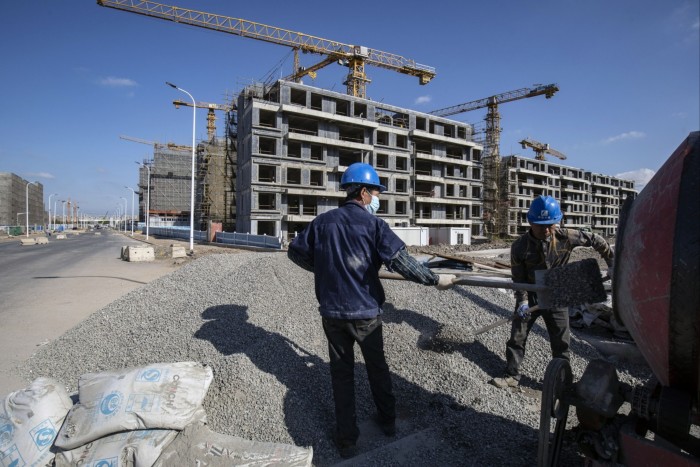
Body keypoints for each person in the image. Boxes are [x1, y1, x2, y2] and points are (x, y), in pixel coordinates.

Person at [287, 162, 456, 458]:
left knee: (342, 376)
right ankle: (388, 423)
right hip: (365, 313)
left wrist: (324, 269)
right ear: (364, 192)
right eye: (376, 192)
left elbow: (295, 251)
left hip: (332, 314)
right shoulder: (374, 225)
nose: (377, 198)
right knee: (377, 369)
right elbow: (402, 263)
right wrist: (434, 279)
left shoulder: (322, 222)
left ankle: (347, 440)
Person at [491, 195, 614, 389]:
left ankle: (563, 380)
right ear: (531, 222)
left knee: (561, 341)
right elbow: (519, 278)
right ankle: (512, 375)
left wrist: (611, 263)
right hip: (531, 293)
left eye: (551, 224)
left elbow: (596, 240)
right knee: (517, 336)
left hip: (558, 293)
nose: (547, 230)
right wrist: (522, 301)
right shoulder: (520, 246)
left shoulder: (566, 236)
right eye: (541, 225)